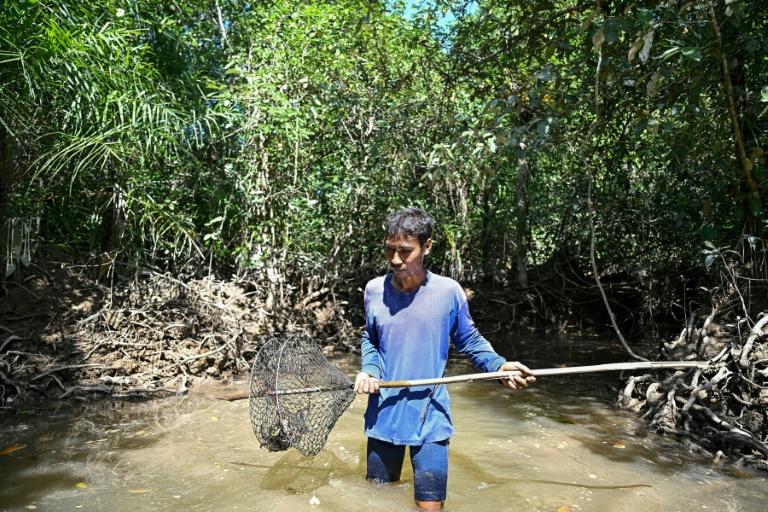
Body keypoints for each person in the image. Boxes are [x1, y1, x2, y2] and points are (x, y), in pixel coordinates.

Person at [354, 207, 535, 510]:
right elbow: (370, 339)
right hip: (384, 414)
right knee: (378, 499)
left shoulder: (448, 292)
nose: (396, 260)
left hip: (431, 415)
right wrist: (369, 370)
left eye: (405, 251)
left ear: (426, 247)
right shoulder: (374, 291)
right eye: (390, 250)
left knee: (430, 506)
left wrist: (499, 366)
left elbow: (469, 339)